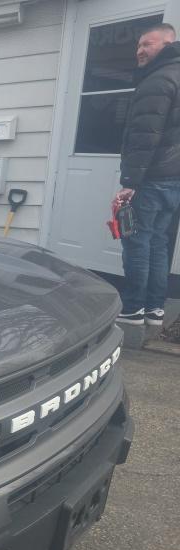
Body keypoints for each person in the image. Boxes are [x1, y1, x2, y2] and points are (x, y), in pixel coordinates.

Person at [115, 23, 180, 326]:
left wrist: (130, 183)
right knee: (158, 243)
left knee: (137, 241)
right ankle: (155, 308)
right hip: (173, 181)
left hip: (152, 180)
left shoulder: (158, 79)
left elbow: (145, 136)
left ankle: (132, 309)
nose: (140, 51)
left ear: (168, 44)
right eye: (138, 45)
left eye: (148, 45)